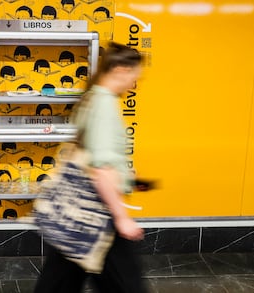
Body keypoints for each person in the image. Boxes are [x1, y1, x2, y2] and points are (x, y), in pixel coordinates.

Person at [34, 42, 147, 293]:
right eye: (134, 77)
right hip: (95, 211)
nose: (134, 84)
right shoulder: (105, 105)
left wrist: (124, 174)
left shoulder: (92, 96)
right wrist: (121, 217)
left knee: (61, 278)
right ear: (120, 69)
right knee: (127, 284)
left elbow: (89, 152)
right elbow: (101, 169)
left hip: (77, 211)